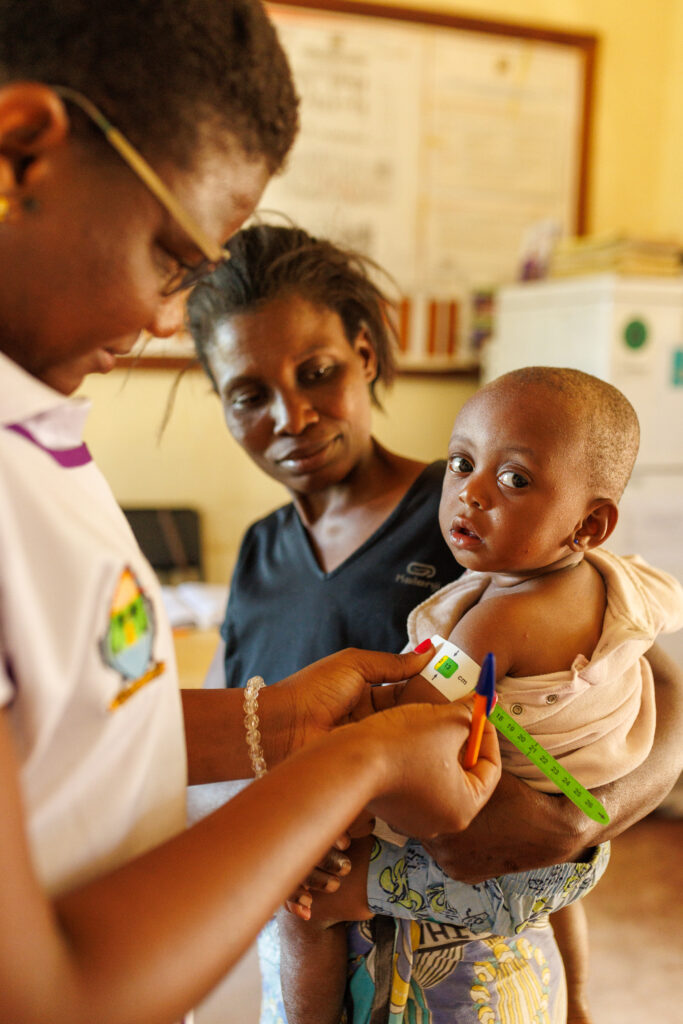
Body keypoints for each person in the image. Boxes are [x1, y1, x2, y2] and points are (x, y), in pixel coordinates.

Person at [0, 5, 504, 1023]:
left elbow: (66, 723)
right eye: (170, 254)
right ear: (20, 150)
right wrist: (356, 761)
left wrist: (270, 721)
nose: (156, 320)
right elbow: (44, 989)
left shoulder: (35, 422)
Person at [187, 227, 683, 1024]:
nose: (292, 416)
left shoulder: (480, 531)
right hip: (311, 908)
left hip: (458, 942)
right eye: (248, 394)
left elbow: (647, 676)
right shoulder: (260, 553)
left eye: (317, 373)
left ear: (365, 357)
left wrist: (581, 817)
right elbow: (242, 723)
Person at [275, 366, 683, 1024]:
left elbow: (411, 718)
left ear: (588, 524)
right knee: (555, 885)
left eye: (513, 479)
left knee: (303, 904)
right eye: (461, 463)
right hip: (576, 844)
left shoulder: (500, 615)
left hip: (495, 860)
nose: (470, 495)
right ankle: (576, 1000)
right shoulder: (612, 581)